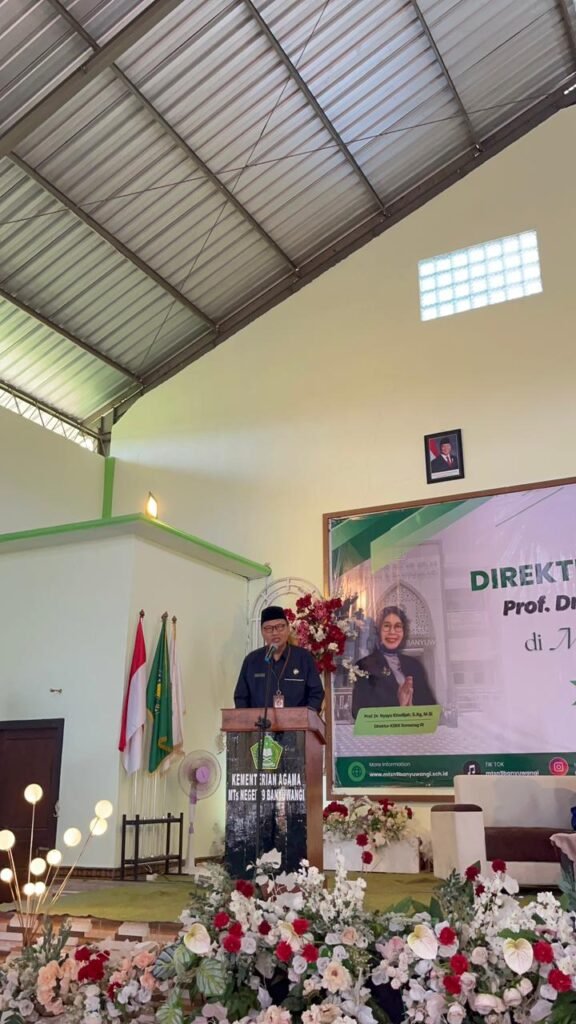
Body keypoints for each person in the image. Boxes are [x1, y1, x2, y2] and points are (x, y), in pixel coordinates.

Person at [234, 606, 324, 710]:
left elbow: (316, 694)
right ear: (262, 632)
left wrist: (305, 716)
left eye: (280, 627)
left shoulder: (304, 658)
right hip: (260, 720)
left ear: (288, 628)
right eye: (269, 628)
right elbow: (241, 698)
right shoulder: (251, 661)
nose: (275, 633)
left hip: (297, 720)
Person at [351, 606, 436, 718]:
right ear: (378, 631)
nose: (392, 632)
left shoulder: (415, 666)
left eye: (398, 626)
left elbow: (431, 707)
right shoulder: (364, 666)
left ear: (404, 631)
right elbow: (359, 712)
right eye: (386, 626)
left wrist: (411, 708)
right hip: (383, 729)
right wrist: (399, 706)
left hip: (416, 728)